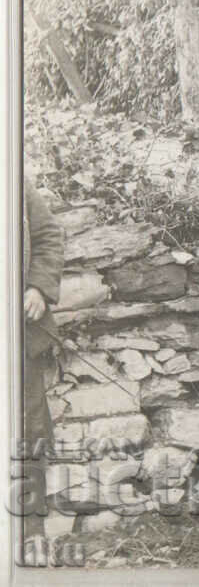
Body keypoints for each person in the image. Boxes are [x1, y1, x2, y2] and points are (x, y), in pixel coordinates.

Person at [19, 177, 64, 566]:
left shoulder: (15, 182)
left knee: (30, 429)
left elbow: (48, 235)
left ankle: (31, 531)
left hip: (16, 334)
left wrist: (37, 288)